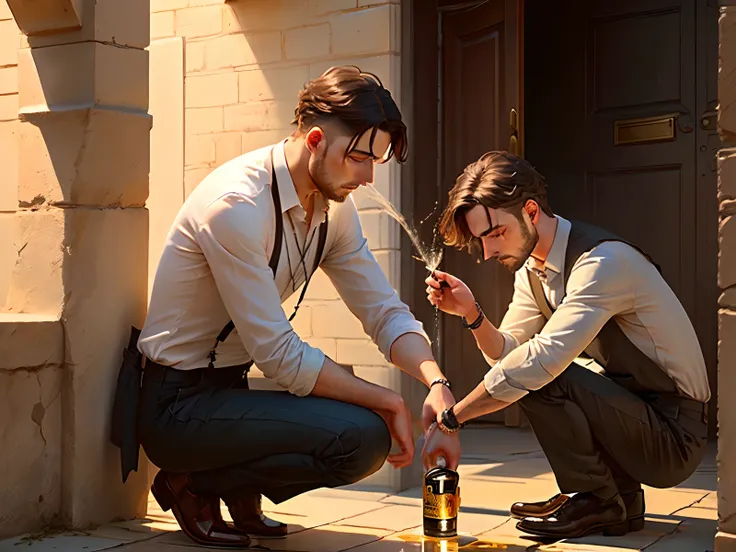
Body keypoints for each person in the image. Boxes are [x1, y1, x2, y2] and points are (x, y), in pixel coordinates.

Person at [134, 66, 461, 548]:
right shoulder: (236, 207)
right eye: (358, 157)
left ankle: (233, 488)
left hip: (230, 389)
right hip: (177, 407)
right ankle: (191, 482)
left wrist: (435, 382)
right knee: (362, 436)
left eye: (377, 161)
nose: (368, 176)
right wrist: (388, 399)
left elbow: (382, 310)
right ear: (314, 140)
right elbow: (279, 355)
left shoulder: (333, 212)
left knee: (364, 431)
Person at [421, 151, 710, 540]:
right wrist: (471, 314)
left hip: (674, 436)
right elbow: (507, 354)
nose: (488, 252)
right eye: (481, 240)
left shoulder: (602, 262)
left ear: (531, 211)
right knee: (525, 370)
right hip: (639, 418)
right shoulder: (533, 271)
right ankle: (618, 502)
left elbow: (539, 362)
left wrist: (451, 419)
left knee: (543, 371)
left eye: (495, 234)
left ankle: (594, 496)